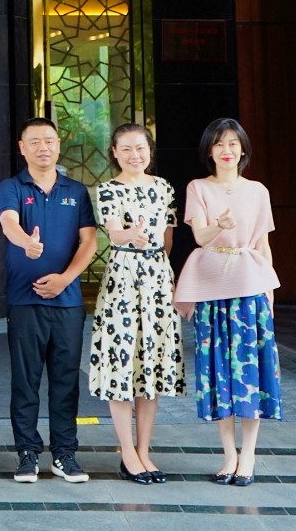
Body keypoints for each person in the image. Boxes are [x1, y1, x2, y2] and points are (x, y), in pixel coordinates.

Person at [173, 117, 283, 486]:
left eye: (233, 143)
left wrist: (269, 293)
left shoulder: (258, 191)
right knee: (217, 371)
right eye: (219, 143)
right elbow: (201, 238)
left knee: (250, 373)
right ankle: (228, 455)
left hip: (250, 286)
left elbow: (263, 245)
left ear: (243, 149)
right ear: (209, 150)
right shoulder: (198, 187)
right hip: (212, 289)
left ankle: (248, 455)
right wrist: (218, 226)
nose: (226, 150)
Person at [0, 117, 98, 485]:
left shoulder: (77, 191)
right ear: (22, 148)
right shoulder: (11, 187)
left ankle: (65, 453)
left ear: (58, 145)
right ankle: (27, 452)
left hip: (67, 303)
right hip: (25, 300)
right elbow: (8, 222)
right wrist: (27, 242)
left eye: (49, 140)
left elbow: (89, 241)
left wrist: (65, 279)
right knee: (26, 380)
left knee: (66, 380)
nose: (43, 147)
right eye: (34, 141)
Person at [86, 123, 185, 485]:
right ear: (114, 152)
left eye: (140, 148)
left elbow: (169, 239)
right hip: (123, 278)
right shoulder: (107, 189)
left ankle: (144, 451)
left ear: (150, 150)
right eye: (126, 149)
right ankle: (127, 453)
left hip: (157, 277)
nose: (134, 155)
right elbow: (114, 232)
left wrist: (163, 274)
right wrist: (132, 234)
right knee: (121, 362)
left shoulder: (164, 187)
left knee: (150, 366)